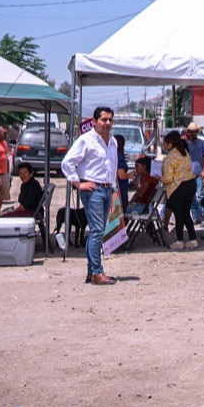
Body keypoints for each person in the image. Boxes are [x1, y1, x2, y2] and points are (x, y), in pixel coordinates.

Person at [61, 106, 119, 285]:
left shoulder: (112, 141)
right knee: (96, 230)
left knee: (98, 231)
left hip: (106, 188)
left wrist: (113, 188)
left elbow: (112, 166)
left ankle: (91, 271)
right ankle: (96, 272)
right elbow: (67, 162)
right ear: (94, 121)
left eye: (110, 120)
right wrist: (78, 183)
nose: (107, 123)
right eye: (103, 119)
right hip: (92, 190)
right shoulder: (86, 140)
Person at [159, 130, 198, 250]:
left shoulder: (169, 158)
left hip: (178, 187)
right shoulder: (185, 153)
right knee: (186, 213)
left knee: (179, 215)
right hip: (191, 184)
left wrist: (160, 178)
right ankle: (193, 239)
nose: (163, 146)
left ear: (170, 144)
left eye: (164, 143)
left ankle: (180, 240)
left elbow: (168, 178)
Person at [183, 123, 204, 224]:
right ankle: (196, 217)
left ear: (197, 132)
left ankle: (202, 215)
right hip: (188, 175)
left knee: (200, 196)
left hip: (199, 173)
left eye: (194, 131)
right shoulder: (186, 144)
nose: (193, 133)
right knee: (192, 197)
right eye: (191, 131)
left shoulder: (202, 143)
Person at [115, 134, 130, 210]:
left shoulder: (113, 154)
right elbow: (121, 175)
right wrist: (129, 175)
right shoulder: (119, 156)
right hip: (121, 188)